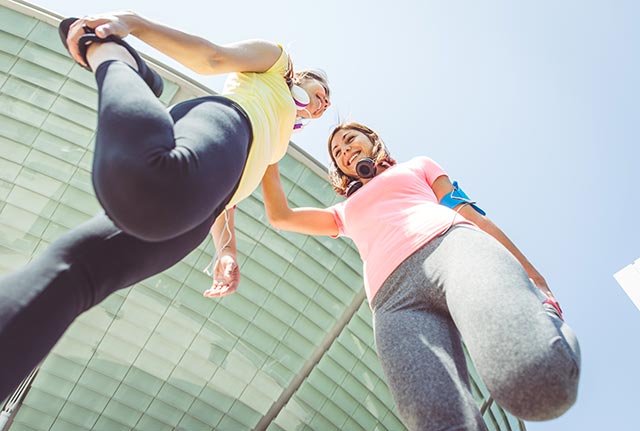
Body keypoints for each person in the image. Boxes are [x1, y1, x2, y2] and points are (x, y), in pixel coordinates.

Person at [0, 11, 330, 400]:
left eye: (324, 105)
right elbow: (213, 58)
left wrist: (226, 251)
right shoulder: (276, 65)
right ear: (302, 77)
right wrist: (133, 24)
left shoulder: (278, 142)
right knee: (150, 186)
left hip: (207, 204)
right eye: (319, 90)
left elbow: (236, 192)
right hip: (224, 124)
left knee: (78, 275)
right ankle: (113, 58)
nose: (321, 102)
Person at [260, 122, 580, 430]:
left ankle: (547, 316)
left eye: (350, 139)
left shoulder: (418, 166)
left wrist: (532, 275)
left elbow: (469, 213)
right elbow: (281, 216)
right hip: (393, 302)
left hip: (453, 248)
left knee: (540, 384)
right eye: (337, 152)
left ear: (372, 139)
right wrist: (269, 149)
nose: (344, 150)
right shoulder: (342, 212)